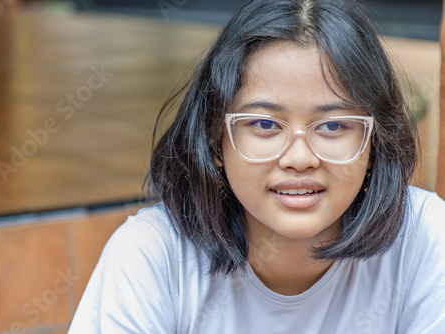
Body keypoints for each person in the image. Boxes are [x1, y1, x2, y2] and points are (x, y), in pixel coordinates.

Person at [69, 0, 445, 332]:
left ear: (373, 143)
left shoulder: (425, 239)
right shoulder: (153, 255)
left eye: (333, 126)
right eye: (264, 124)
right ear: (216, 139)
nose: (299, 159)